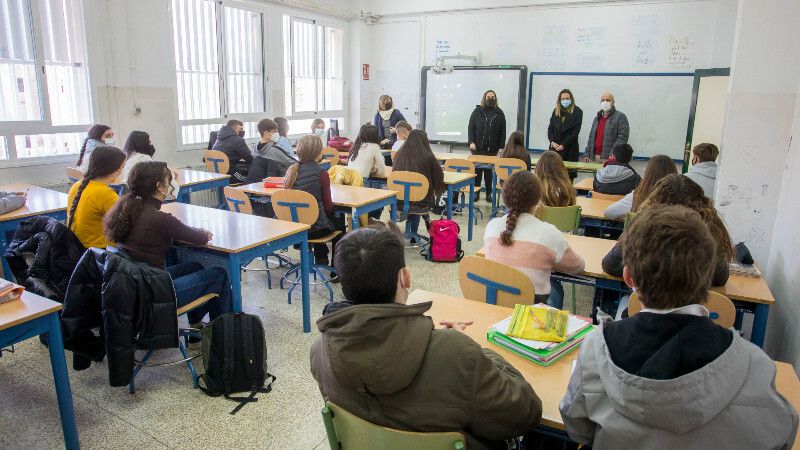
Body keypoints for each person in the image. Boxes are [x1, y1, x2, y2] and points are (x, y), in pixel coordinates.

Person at [560, 204, 798, 449]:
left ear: (628, 277)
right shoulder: (754, 364)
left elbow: (576, 425)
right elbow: (781, 433)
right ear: (708, 277)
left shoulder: (595, 350)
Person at [310, 223, 543, 450]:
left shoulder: (320, 352)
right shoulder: (457, 354)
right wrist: (474, 349)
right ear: (405, 278)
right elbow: (526, 413)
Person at [103, 161, 231, 328]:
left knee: (194, 266)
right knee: (219, 274)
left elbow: (176, 230)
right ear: (159, 186)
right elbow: (200, 238)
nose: (171, 185)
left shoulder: (127, 209)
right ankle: (221, 336)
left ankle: (196, 328)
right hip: (155, 294)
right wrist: (200, 232)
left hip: (134, 288)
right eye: (168, 181)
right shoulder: (159, 218)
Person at [602, 174, 733, 288]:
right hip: (698, 308)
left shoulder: (644, 226)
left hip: (650, 303)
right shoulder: (707, 234)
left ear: (655, 200)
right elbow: (721, 277)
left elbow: (611, 265)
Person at [484, 171, 585, 309]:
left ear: (505, 198)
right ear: (538, 201)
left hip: (495, 305)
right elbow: (577, 267)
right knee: (556, 288)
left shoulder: (492, 226)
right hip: (532, 312)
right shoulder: (548, 233)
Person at [284, 136, 344, 267]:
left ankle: (321, 256)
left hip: (293, 226)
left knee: (317, 215)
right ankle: (336, 268)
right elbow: (328, 207)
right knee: (339, 222)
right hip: (313, 228)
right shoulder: (321, 173)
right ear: (317, 153)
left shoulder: (291, 170)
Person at [67, 146, 127, 249]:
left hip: (78, 247)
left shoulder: (78, 185)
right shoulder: (106, 193)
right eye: (122, 166)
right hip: (100, 252)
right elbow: (125, 225)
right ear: (116, 170)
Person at [392, 130, 445, 242]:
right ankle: (417, 231)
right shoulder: (429, 157)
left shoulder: (398, 155)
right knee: (417, 195)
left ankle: (420, 227)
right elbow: (439, 179)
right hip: (421, 202)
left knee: (412, 194)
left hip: (398, 201)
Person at [604, 154, 676, 220]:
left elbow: (609, 213)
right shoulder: (679, 198)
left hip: (640, 233)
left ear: (648, 173)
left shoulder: (637, 195)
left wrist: (628, 218)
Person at [468, 90, 506, 202]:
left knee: (489, 173)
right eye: (488, 96)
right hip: (477, 149)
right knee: (477, 172)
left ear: (495, 98)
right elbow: (471, 128)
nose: (490, 98)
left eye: (492, 97)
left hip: (492, 149)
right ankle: (476, 193)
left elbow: (502, 131)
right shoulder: (477, 111)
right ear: (484, 98)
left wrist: (501, 146)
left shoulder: (499, 113)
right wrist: (471, 142)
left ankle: (489, 194)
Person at [120, 131, 180, 197]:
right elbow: (158, 175)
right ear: (143, 144)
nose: (151, 145)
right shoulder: (144, 157)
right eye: (149, 142)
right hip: (140, 195)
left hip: (129, 193)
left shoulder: (129, 157)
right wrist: (172, 174)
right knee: (172, 189)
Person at [246, 118, 297, 183]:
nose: (277, 134)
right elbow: (293, 163)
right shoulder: (275, 151)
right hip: (274, 183)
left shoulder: (254, 149)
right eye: (274, 132)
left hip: (255, 184)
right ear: (266, 133)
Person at [582, 92, 629, 163]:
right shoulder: (597, 118)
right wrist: (587, 153)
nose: (605, 102)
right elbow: (591, 138)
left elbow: (622, 138)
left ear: (613, 102)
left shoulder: (620, 117)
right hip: (594, 157)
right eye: (603, 100)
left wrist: (614, 153)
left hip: (609, 158)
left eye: (608, 100)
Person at [547, 89, 583, 180]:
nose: (565, 100)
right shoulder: (556, 111)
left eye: (567, 98)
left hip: (570, 150)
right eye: (563, 99)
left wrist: (563, 145)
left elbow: (575, 132)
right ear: (559, 100)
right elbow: (550, 129)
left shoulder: (578, 112)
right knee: (553, 178)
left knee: (568, 179)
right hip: (554, 149)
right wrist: (552, 142)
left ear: (571, 99)